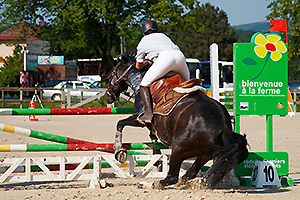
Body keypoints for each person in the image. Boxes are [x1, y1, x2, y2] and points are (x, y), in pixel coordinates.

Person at [136, 20, 190, 123]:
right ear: (157, 30)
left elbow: (138, 66)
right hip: (180, 57)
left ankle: (148, 114)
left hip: (165, 59)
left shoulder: (143, 41)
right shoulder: (163, 36)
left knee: (143, 85)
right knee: (188, 84)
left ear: (143, 33)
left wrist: (146, 63)